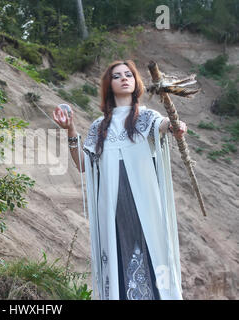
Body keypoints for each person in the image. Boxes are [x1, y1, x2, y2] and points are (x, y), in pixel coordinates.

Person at [52, 60, 187, 300]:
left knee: (153, 252)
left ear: (136, 82)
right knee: (117, 257)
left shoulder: (146, 118)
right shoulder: (99, 127)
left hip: (145, 205)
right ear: (108, 85)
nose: (124, 78)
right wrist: (71, 129)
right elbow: (83, 165)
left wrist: (176, 125)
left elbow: (165, 125)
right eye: (117, 76)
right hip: (114, 209)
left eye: (129, 74)